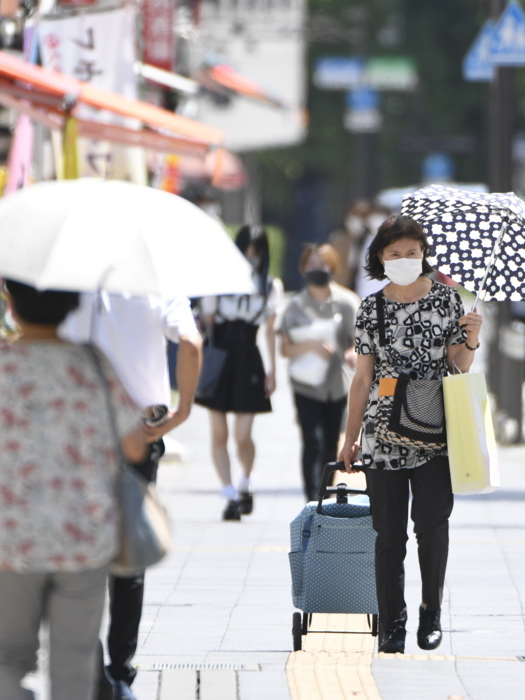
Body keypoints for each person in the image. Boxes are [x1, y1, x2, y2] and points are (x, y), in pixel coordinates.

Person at [0, 280, 149, 700]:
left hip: (10, 537)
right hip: (83, 537)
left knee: (12, 659)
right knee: (73, 663)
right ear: (71, 305)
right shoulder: (93, 364)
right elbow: (134, 446)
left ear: (12, 306)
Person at [338, 216, 483, 655]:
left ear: (424, 255)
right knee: (388, 535)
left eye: (412, 252)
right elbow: (362, 379)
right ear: (380, 258)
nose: (404, 260)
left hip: (435, 428)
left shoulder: (446, 300)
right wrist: (349, 438)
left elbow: (458, 366)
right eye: (395, 253)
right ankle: (392, 623)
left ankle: (431, 612)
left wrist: (472, 339)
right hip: (382, 432)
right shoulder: (371, 308)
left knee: (433, 527)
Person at [60, 293, 202, 700]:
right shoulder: (157, 282)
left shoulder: (71, 277)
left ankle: (91, 667)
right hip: (140, 430)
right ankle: (120, 671)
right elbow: (191, 344)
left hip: (76, 427)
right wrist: (183, 410)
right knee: (128, 549)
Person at [195, 224, 282, 521]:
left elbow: (270, 331)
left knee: (243, 435)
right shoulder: (216, 281)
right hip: (218, 356)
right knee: (219, 433)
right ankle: (229, 492)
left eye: (256, 251)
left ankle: (246, 478)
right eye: (246, 248)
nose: (251, 256)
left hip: (248, 357)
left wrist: (273, 371)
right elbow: (206, 324)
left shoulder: (269, 286)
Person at [278, 243, 360, 501]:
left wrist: (352, 353)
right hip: (305, 384)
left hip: (336, 384)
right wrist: (310, 345)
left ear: (332, 266)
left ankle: (324, 495)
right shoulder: (295, 305)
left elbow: (360, 341)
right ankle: (311, 499)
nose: (317, 268)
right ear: (303, 268)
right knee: (311, 440)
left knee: (330, 443)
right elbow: (284, 348)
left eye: (322, 263)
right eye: (311, 264)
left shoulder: (346, 302)